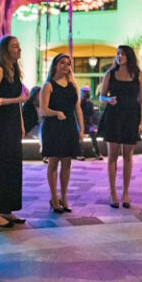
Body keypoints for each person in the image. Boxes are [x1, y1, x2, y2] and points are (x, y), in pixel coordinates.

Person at [0, 35, 29, 228]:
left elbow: (17, 103)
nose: (19, 49)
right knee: (0, 166)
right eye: (15, 46)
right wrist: (17, 101)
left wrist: (20, 122)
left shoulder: (15, 71)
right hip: (1, 124)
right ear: (5, 50)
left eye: (19, 46)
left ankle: (8, 208)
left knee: (13, 166)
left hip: (12, 122)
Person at [100, 45, 142, 208]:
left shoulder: (139, 75)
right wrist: (108, 99)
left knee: (128, 155)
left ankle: (125, 192)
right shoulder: (110, 74)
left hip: (131, 116)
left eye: (123, 54)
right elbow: (100, 96)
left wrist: (141, 122)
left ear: (129, 56)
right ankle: (113, 193)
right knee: (112, 155)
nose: (120, 56)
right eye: (118, 54)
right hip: (114, 116)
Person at [40, 53, 84, 214]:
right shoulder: (48, 86)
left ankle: (64, 197)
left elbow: (77, 108)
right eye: (62, 63)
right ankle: (54, 198)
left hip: (69, 126)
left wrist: (82, 129)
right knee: (53, 163)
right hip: (53, 127)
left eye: (68, 64)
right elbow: (43, 110)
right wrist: (56, 113)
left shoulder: (73, 85)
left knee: (67, 163)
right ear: (55, 65)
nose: (65, 66)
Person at [80, 87, 102, 160]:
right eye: (84, 93)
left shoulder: (89, 103)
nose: (85, 94)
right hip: (80, 124)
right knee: (79, 135)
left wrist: (92, 126)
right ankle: (80, 153)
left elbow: (91, 115)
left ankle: (97, 153)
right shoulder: (79, 103)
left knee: (93, 133)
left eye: (86, 93)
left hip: (88, 124)